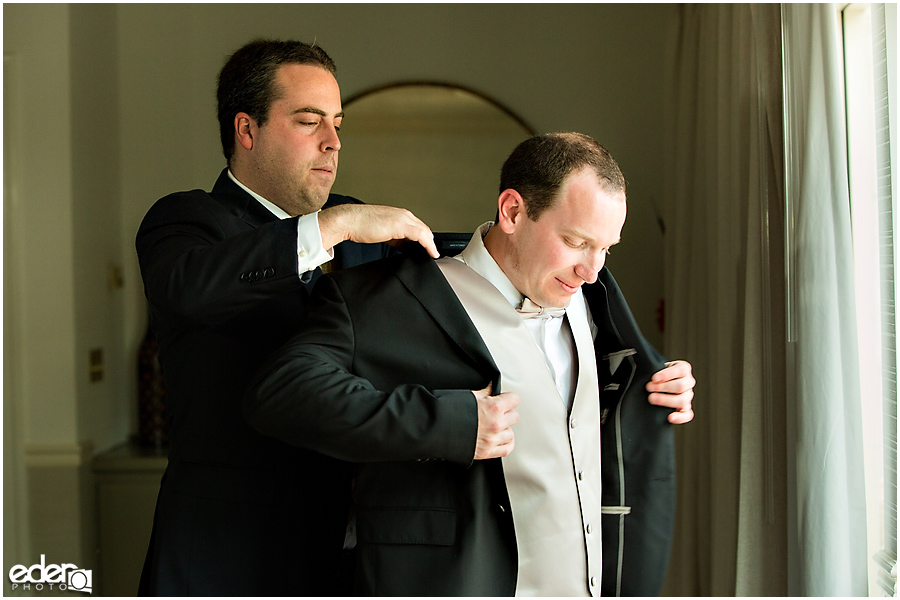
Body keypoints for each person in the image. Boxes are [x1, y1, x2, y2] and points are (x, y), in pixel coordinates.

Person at [244, 132, 695, 596]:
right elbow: (279, 394)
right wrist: (445, 423)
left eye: (606, 248)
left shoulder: (594, 298)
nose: (592, 269)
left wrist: (660, 384)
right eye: (575, 241)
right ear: (513, 212)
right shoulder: (382, 300)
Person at [135, 39, 439, 596]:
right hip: (224, 563)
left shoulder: (359, 233)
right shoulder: (186, 221)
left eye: (338, 124)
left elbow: (450, 295)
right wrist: (333, 226)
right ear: (246, 131)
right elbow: (187, 290)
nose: (333, 142)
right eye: (308, 121)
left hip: (348, 564)